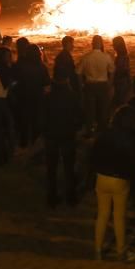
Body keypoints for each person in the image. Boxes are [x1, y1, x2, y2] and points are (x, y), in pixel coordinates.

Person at [90, 105, 135, 261]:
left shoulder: (105, 134)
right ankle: (120, 250)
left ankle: (97, 249)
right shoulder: (130, 138)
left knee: (102, 214)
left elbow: (94, 154)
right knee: (119, 216)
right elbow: (132, 162)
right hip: (120, 179)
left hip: (102, 177)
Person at [44, 74, 84, 208]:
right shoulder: (72, 96)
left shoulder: (48, 97)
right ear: (67, 81)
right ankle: (71, 197)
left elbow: (42, 115)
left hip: (51, 135)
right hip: (67, 134)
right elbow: (80, 115)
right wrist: (75, 128)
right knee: (69, 167)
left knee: (52, 168)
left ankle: (52, 197)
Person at [78, 35, 115, 134]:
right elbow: (112, 71)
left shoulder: (86, 57)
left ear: (92, 44)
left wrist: (82, 84)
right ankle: (102, 132)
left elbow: (78, 73)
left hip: (89, 86)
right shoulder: (106, 57)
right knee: (103, 110)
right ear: (101, 44)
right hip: (103, 85)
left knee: (90, 111)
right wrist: (110, 84)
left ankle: (89, 132)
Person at [112, 36, 131, 107]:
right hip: (122, 81)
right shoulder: (123, 56)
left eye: (114, 44)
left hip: (121, 82)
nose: (113, 46)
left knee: (120, 102)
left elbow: (124, 70)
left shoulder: (121, 57)